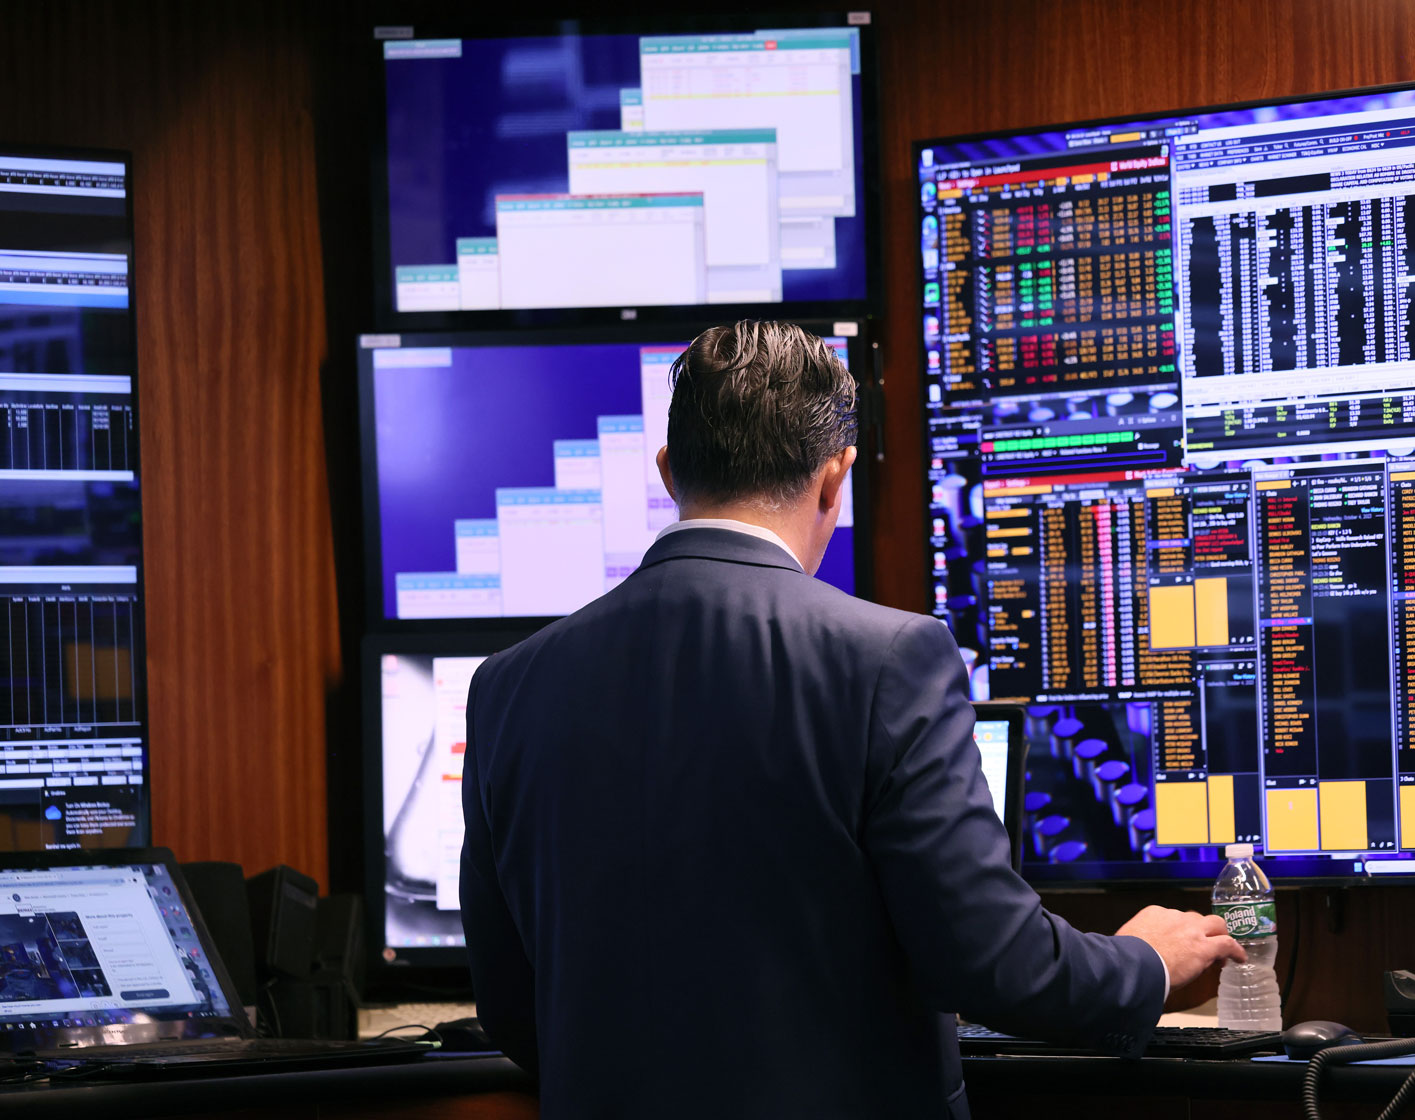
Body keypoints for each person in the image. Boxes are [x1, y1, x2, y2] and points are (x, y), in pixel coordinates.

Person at [459, 321, 1244, 1119]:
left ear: (668, 473)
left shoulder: (508, 686)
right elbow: (995, 965)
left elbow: (512, 1006)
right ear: (836, 478)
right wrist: (1142, 961)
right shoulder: (890, 657)